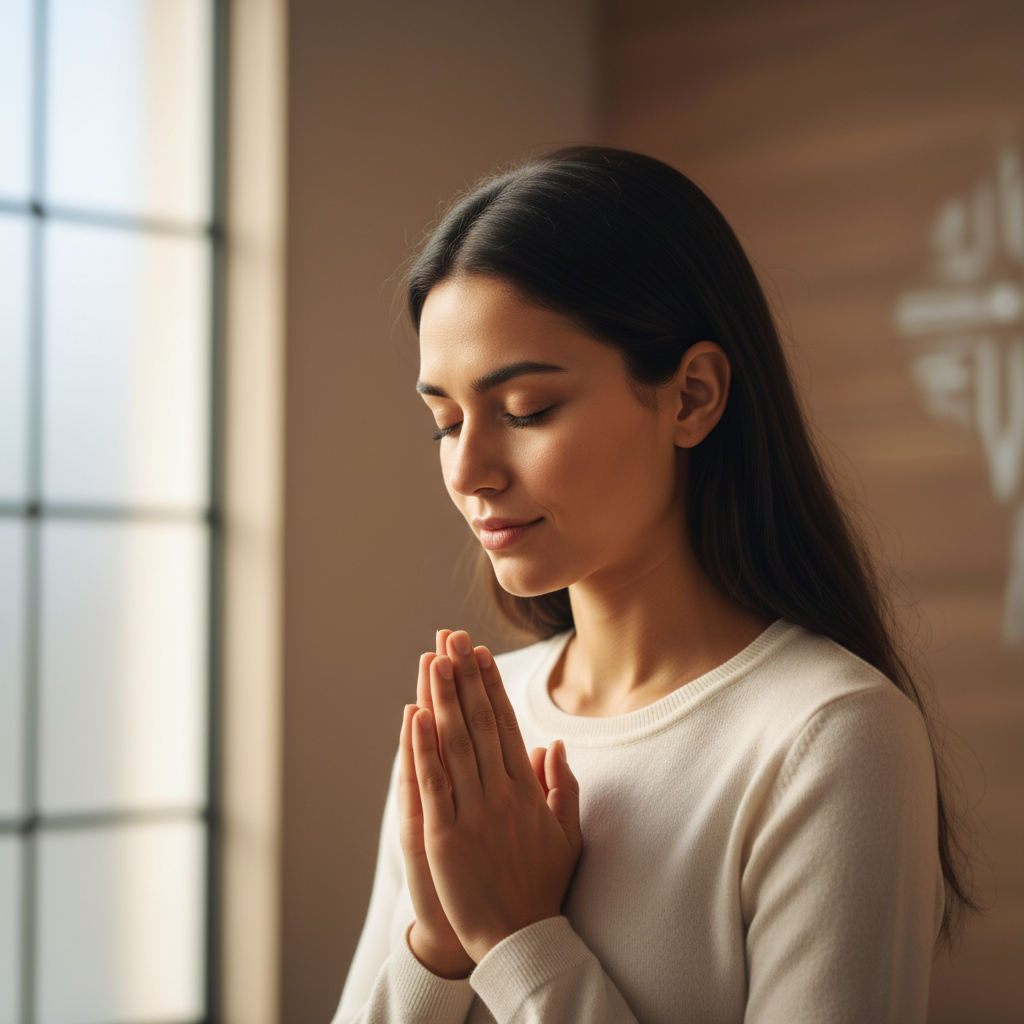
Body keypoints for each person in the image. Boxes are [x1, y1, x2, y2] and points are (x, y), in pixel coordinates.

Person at [331, 146, 975, 1024]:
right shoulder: (478, 724)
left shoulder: (829, 739)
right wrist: (439, 949)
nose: (469, 469)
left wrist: (520, 944)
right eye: (444, 422)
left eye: (526, 411)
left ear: (692, 395)